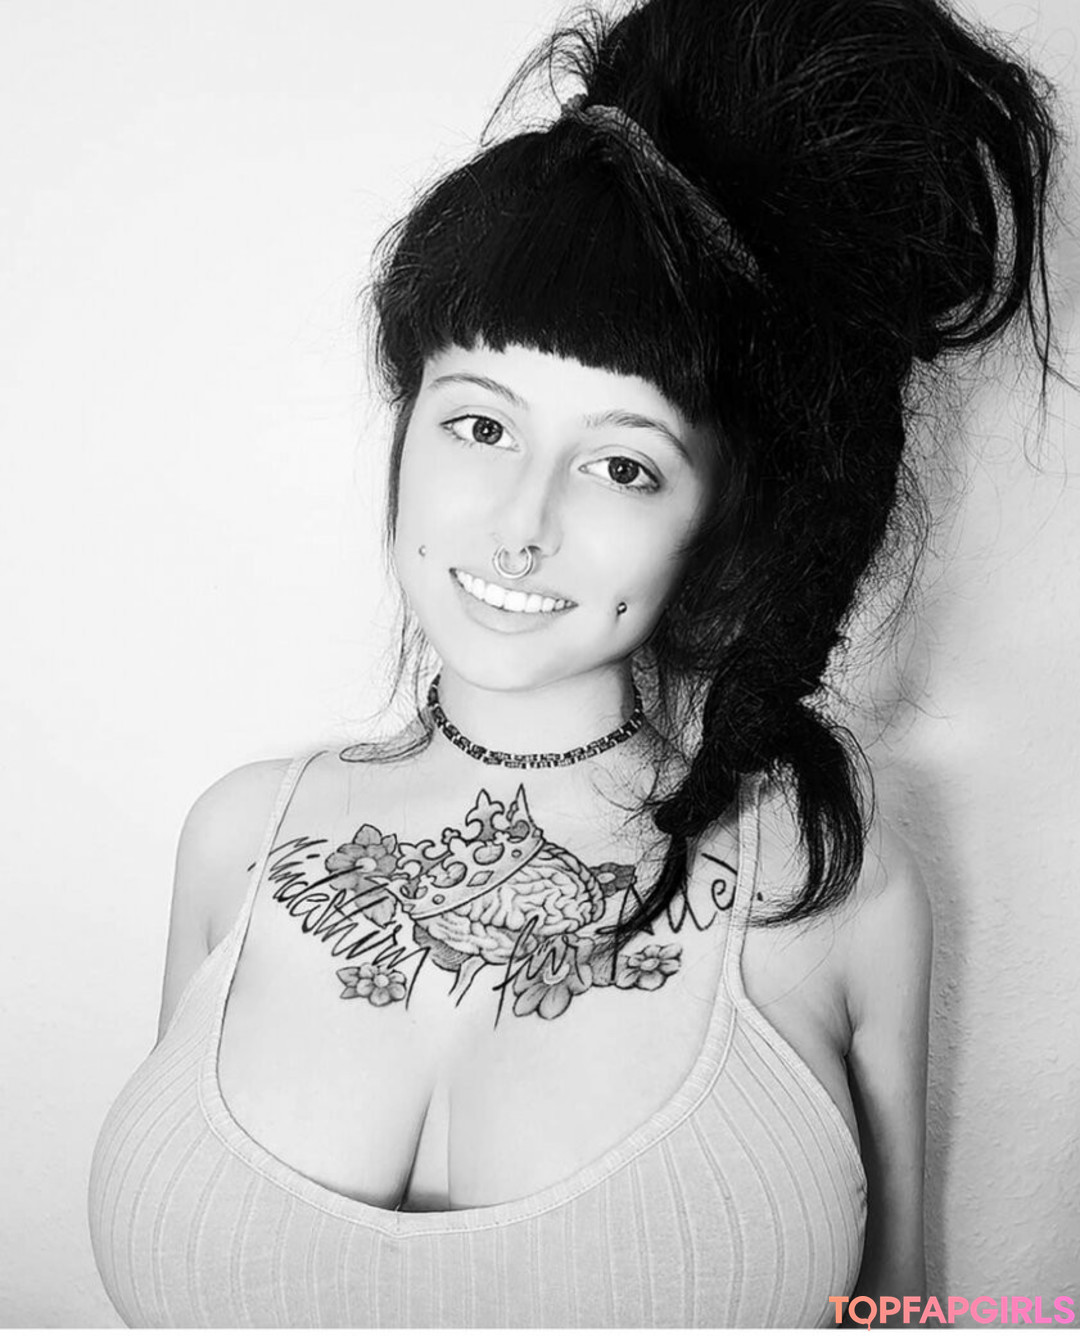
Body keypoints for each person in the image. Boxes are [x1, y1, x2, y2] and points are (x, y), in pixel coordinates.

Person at [87, 0, 1058, 1326]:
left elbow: (906, 1314)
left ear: (721, 511)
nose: (521, 522)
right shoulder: (237, 840)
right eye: (480, 426)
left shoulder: (823, 882)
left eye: (621, 464)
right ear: (407, 425)